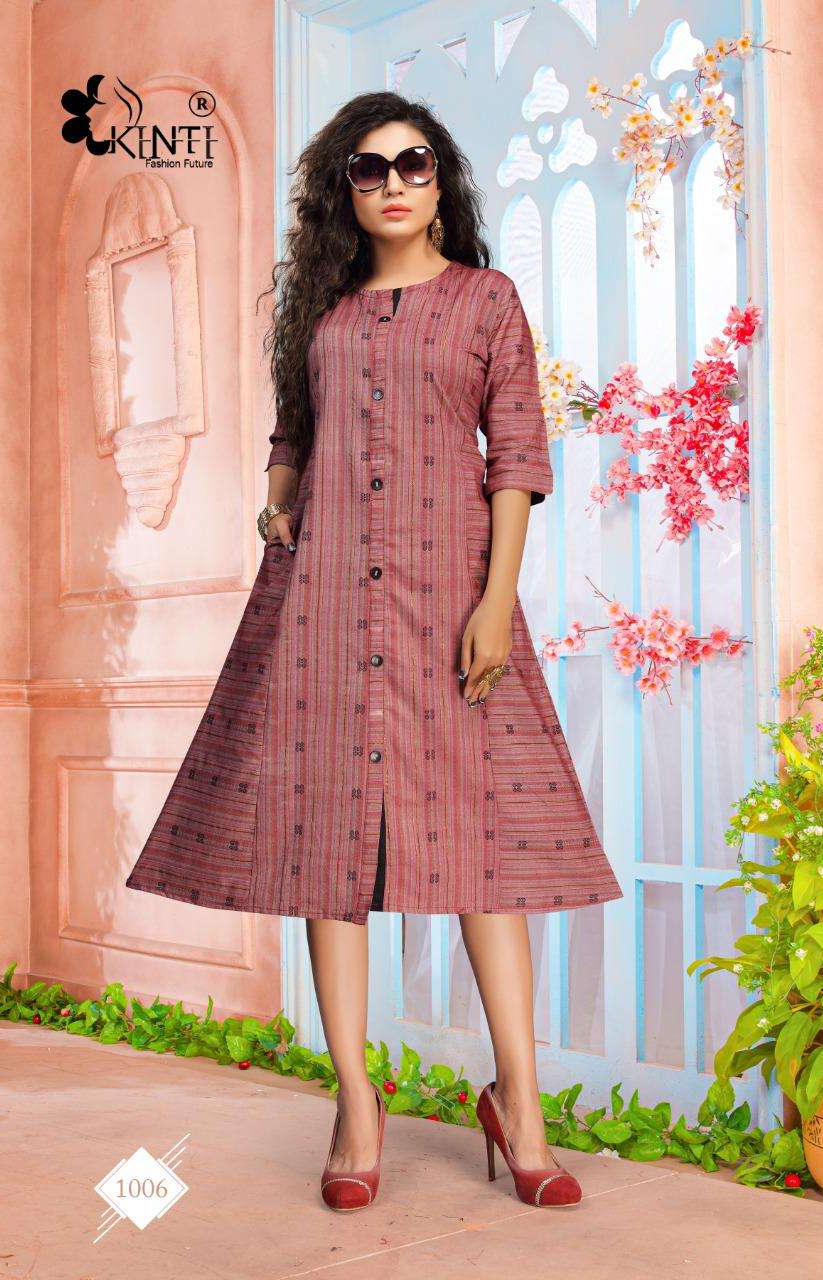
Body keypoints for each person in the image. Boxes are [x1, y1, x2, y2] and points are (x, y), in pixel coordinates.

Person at [125, 90, 623, 1212]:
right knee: (325, 845)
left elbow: (517, 454)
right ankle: (356, 1103)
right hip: (321, 604)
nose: (393, 183)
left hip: (450, 597)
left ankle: (521, 1106)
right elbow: (291, 434)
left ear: (441, 182)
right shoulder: (323, 311)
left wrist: (495, 600)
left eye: (414, 163)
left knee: (482, 851)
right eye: (368, 167)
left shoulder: (486, 299)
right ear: (342, 190)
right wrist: (275, 506)